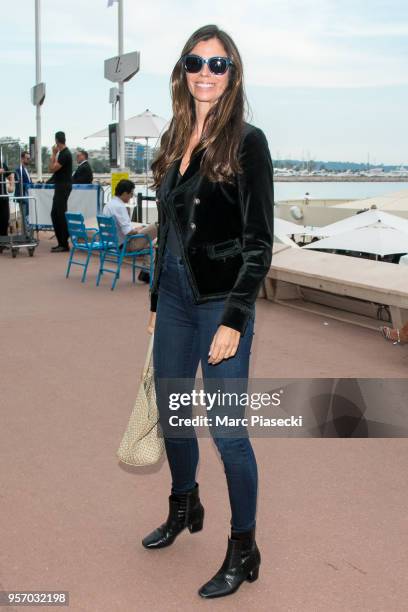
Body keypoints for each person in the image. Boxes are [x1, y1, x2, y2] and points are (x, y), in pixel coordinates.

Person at [143, 25, 274, 599]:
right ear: (182, 70)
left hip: (221, 301)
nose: (205, 72)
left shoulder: (248, 142)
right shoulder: (175, 138)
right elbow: (167, 229)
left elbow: (259, 243)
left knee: (228, 433)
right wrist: (154, 302)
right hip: (172, 297)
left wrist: (234, 318)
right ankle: (184, 502)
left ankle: (244, 547)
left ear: (233, 74)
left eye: (218, 65)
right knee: (173, 414)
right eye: (196, 61)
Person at [102, 179, 157, 279]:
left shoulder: (109, 205)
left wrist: (138, 228)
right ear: (124, 193)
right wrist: (139, 231)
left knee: (153, 243)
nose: (132, 196)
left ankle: (146, 273)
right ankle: (146, 272)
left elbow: (121, 228)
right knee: (156, 227)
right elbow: (128, 232)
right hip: (125, 245)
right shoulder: (120, 207)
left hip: (112, 242)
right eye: (131, 194)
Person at [48, 131, 72, 252]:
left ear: (57, 140)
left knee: (59, 214)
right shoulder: (63, 153)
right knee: (56, 214)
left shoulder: (64, 154)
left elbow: (51, 168)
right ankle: (62, 241)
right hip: (61, 186)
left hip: (63, 186)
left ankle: (64, 243)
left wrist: (53, 153)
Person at [14, 151, 32, 220]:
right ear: (22, 159)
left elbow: (28, 181)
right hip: (23, 196)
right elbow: (19, 184)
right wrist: (29, 185)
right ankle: (25, 231)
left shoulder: (26, 170)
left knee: (28, 217)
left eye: (29, 158)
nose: (28, 160)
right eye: (27, 158)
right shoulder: (18, 170)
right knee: (25, 217)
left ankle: (28, 230)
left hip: (28, 196)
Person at [0, 159, 15, 238]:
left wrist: (11, 185)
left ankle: (3, 241)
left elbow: (11, 175)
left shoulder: (2, 164)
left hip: (3, 196)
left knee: (5, 219)